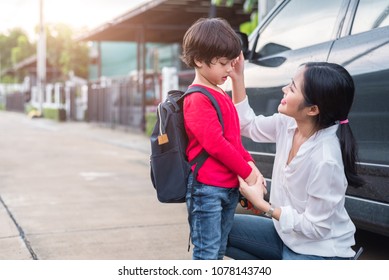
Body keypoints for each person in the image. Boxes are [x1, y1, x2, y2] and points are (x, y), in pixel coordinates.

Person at [225, 54, 365, 260]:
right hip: (286, 236)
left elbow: (316, 228)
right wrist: (238, 78)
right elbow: (248, 125)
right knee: (215, 228)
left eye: (292, 88)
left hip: (319, 250)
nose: (284, 89)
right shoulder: (288, 123)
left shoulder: (326, 159)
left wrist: (264, 206)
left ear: (313, 109)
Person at [181, 18, 263, 260]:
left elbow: (233, 139)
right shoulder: (196, 98)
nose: (229, 69)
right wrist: (247, 173)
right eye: (223, 63)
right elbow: (216, 144)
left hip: (226, 187)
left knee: (218, 250)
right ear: (199, 60)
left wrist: (251, 167)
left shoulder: (218, 91)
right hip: (206, 189)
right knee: (207, 253)